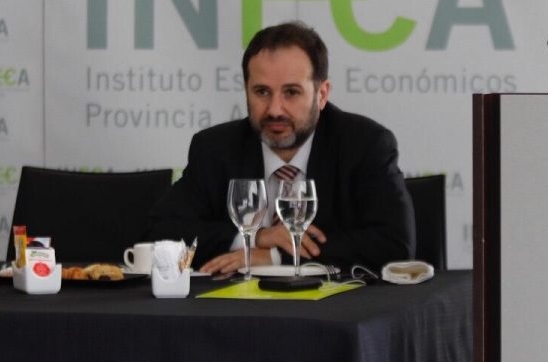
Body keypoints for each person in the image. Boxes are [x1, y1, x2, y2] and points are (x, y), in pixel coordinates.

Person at [148, 21, 414, 273]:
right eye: (262, 92)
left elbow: (395, 246)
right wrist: (257, 238)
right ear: (246, 90)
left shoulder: (364, 145)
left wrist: (277, 257)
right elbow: (159, 233)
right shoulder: (215, 149)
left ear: (321, 94)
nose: (275, 110)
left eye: (291, 92)